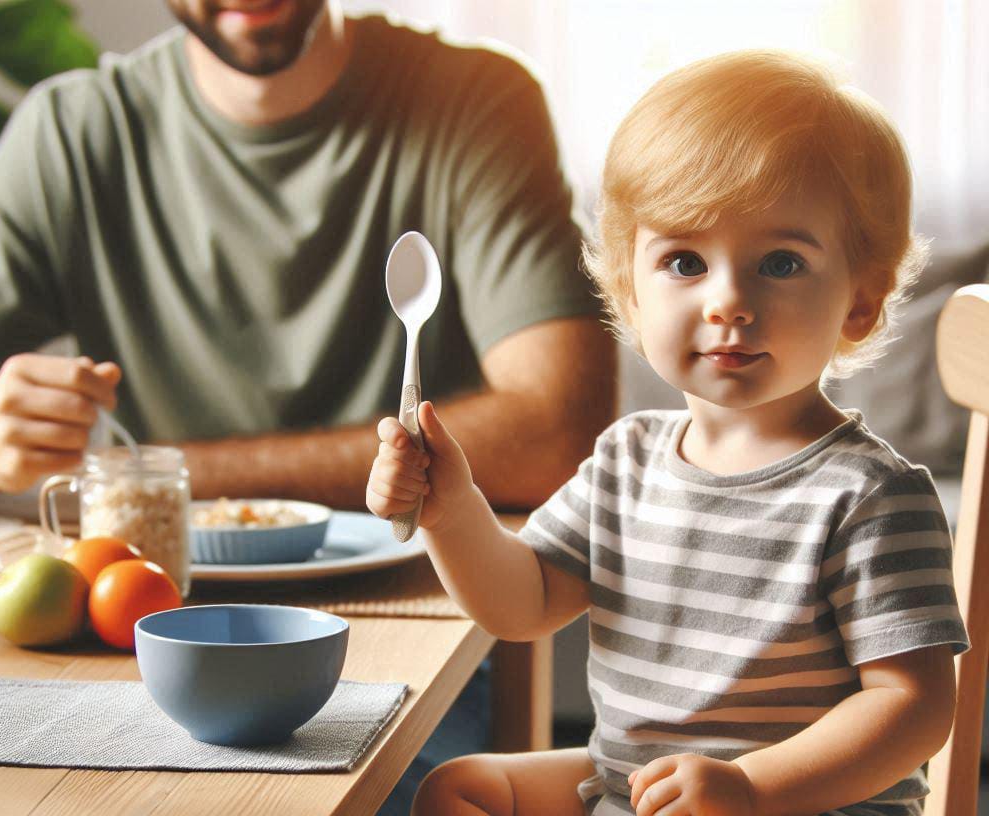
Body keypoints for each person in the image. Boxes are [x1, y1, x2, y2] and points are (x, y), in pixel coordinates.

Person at [0, 2, 616, 813]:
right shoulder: (70, 132)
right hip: (130, 637)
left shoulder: (472, 98)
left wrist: (169, 478)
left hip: (410, 648)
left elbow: (557, 432)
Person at [366, 49, 971, 816]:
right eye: (685, 260)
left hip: (802, 803)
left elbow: (913, 711)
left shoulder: (870, 497)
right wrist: (451, 510)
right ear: (629, 288)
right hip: (639, 789)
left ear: (859, 301)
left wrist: (752, 786)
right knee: (461, 788)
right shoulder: (627, 460)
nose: (728, 300)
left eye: (780, 262)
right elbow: (522, 602)